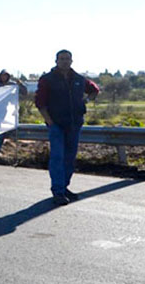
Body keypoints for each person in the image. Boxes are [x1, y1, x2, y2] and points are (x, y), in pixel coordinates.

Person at [35, 50, 99, 206]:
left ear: (72, 61)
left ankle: (64, 187)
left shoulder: (78, 79)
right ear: (56, 61)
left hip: (74, 124)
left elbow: (94, 89)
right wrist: (49, 121)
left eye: (67, 59)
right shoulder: (47, 79)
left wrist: (86, 100)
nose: (65, 61)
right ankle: (58, 191)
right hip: (56, 124)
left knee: (69, 158)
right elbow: (40, 102)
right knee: (58, 157)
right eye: (62, 59)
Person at [0, 69, 29, 157]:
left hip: (8, 110)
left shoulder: (12, 85)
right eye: (2, 75)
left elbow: (24, 92)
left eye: (6, 76)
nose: (4, 77)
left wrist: (20, 84)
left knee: (3, 131)